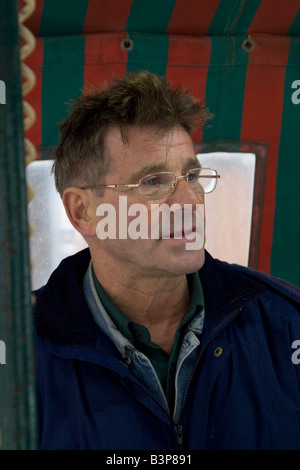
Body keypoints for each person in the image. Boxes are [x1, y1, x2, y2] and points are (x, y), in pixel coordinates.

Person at [33, 70, 300, 450]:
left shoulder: (286, 324)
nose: (190, 202)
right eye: (154, 182)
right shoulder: (22, 355)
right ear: (83, 211)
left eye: (191, 176)